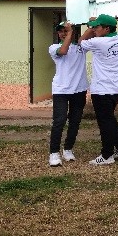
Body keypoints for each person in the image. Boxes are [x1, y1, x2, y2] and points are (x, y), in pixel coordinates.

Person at [78, 14, 118, 165]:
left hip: (102, 89)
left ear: (107, 29)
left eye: (97, 27)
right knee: (109, 118)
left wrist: (88, 27)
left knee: (105, 121)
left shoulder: (98, 42)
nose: (94, 30)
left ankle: (107, 155)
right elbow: (111, 29)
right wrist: (103, 22)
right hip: (117, 87)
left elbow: (81, 42)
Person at [48, 21, 88, 167]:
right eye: (61, 31)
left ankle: (68, 149)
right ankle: (54, 152)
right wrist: (70, 32)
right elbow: (64, 51)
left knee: (75, 121)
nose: (63, 33)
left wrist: (93, 22)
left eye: (66, 31)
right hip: (61, 90)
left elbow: (90, 32)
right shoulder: (54, 48)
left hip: (79, 89)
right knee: (59, 121)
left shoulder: (80, 47)